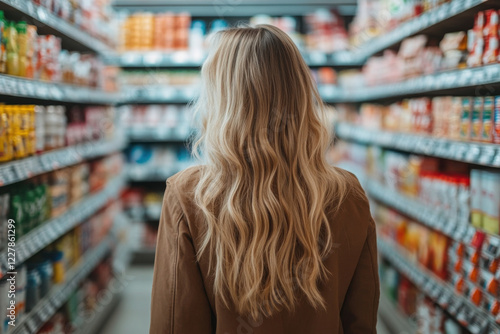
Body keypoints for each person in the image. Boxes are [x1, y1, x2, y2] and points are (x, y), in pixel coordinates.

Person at [150, 24, 379, 334]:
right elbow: (361, 320)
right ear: (300, 94)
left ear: (222, 101)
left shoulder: (189, 195)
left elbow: (177, 323)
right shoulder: (347, 194)